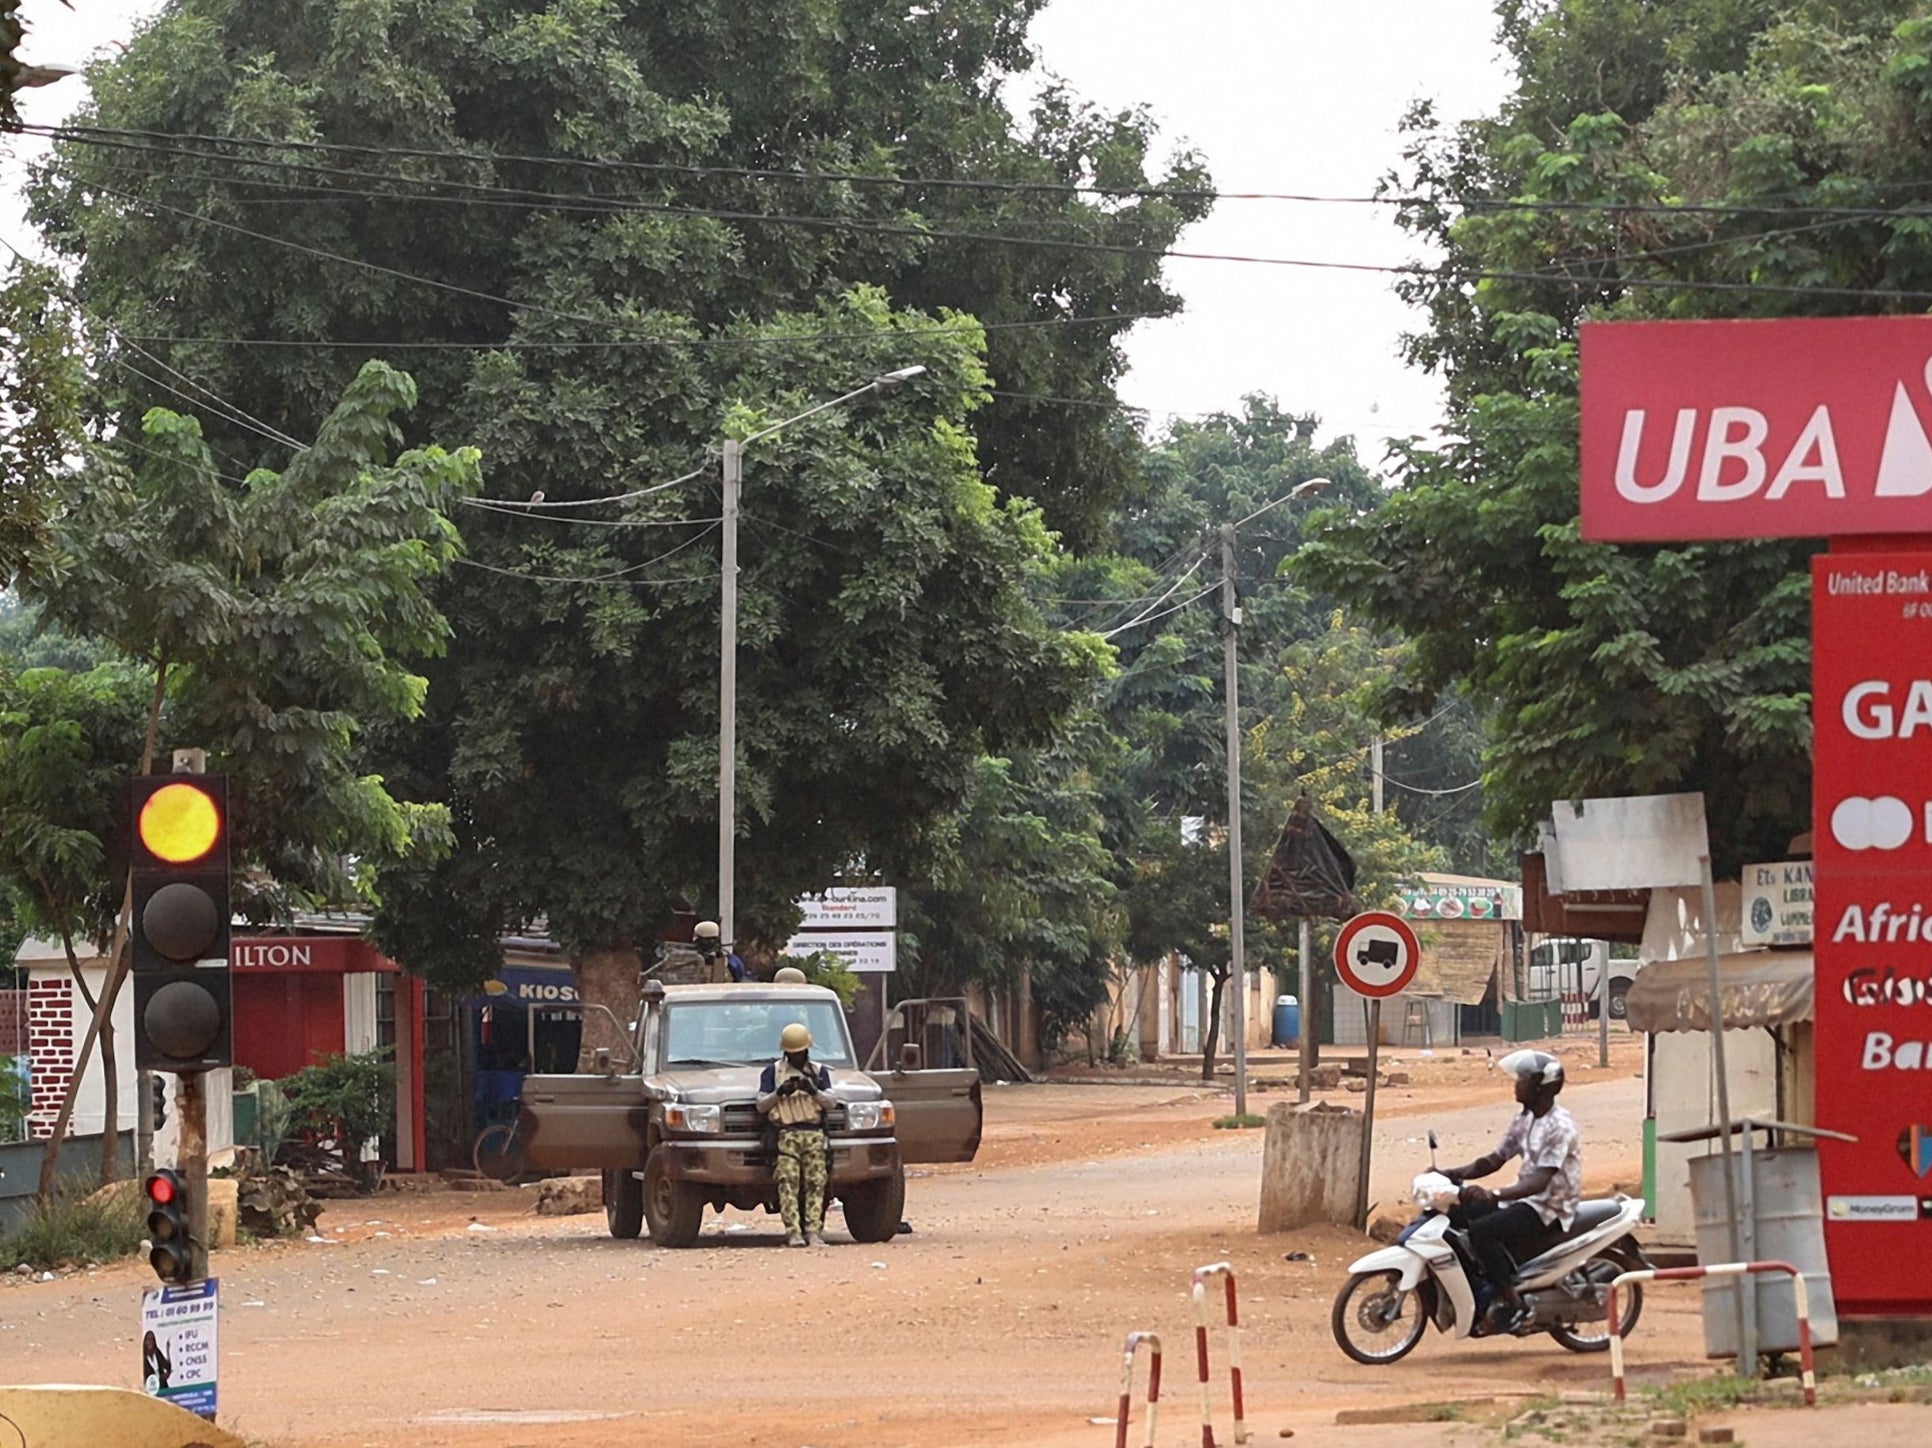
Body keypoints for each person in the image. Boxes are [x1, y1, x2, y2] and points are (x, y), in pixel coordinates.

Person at [1440, 1048, 1581, 1333]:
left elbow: (1540, 1181)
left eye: (1522, 1080)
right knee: (1456, 1212)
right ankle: (1477, 1286)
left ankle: (1512, 1300)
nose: (1516, 1084)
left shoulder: (1560, 1127)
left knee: (1482, 1231)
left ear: (1541, 1087)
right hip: (1525, 1199)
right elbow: (1496, 1158)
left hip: (1547, 1207)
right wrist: (1452, 1173)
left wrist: (1494, 1194)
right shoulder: (1525, 1119)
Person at [756, 1022, 834, 1247]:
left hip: (813, 1133)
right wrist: (779, 1092)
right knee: (787, 1182)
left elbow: (831, 1101)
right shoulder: (774, 1072)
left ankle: (813, 1231)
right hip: (787, 1134)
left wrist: (813, 1090)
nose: (798, 1056)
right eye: (794, 1053)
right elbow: (761, 1105)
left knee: (816, 1183)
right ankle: (793, 1232)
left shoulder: (819, 1072)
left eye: (800, 1053)